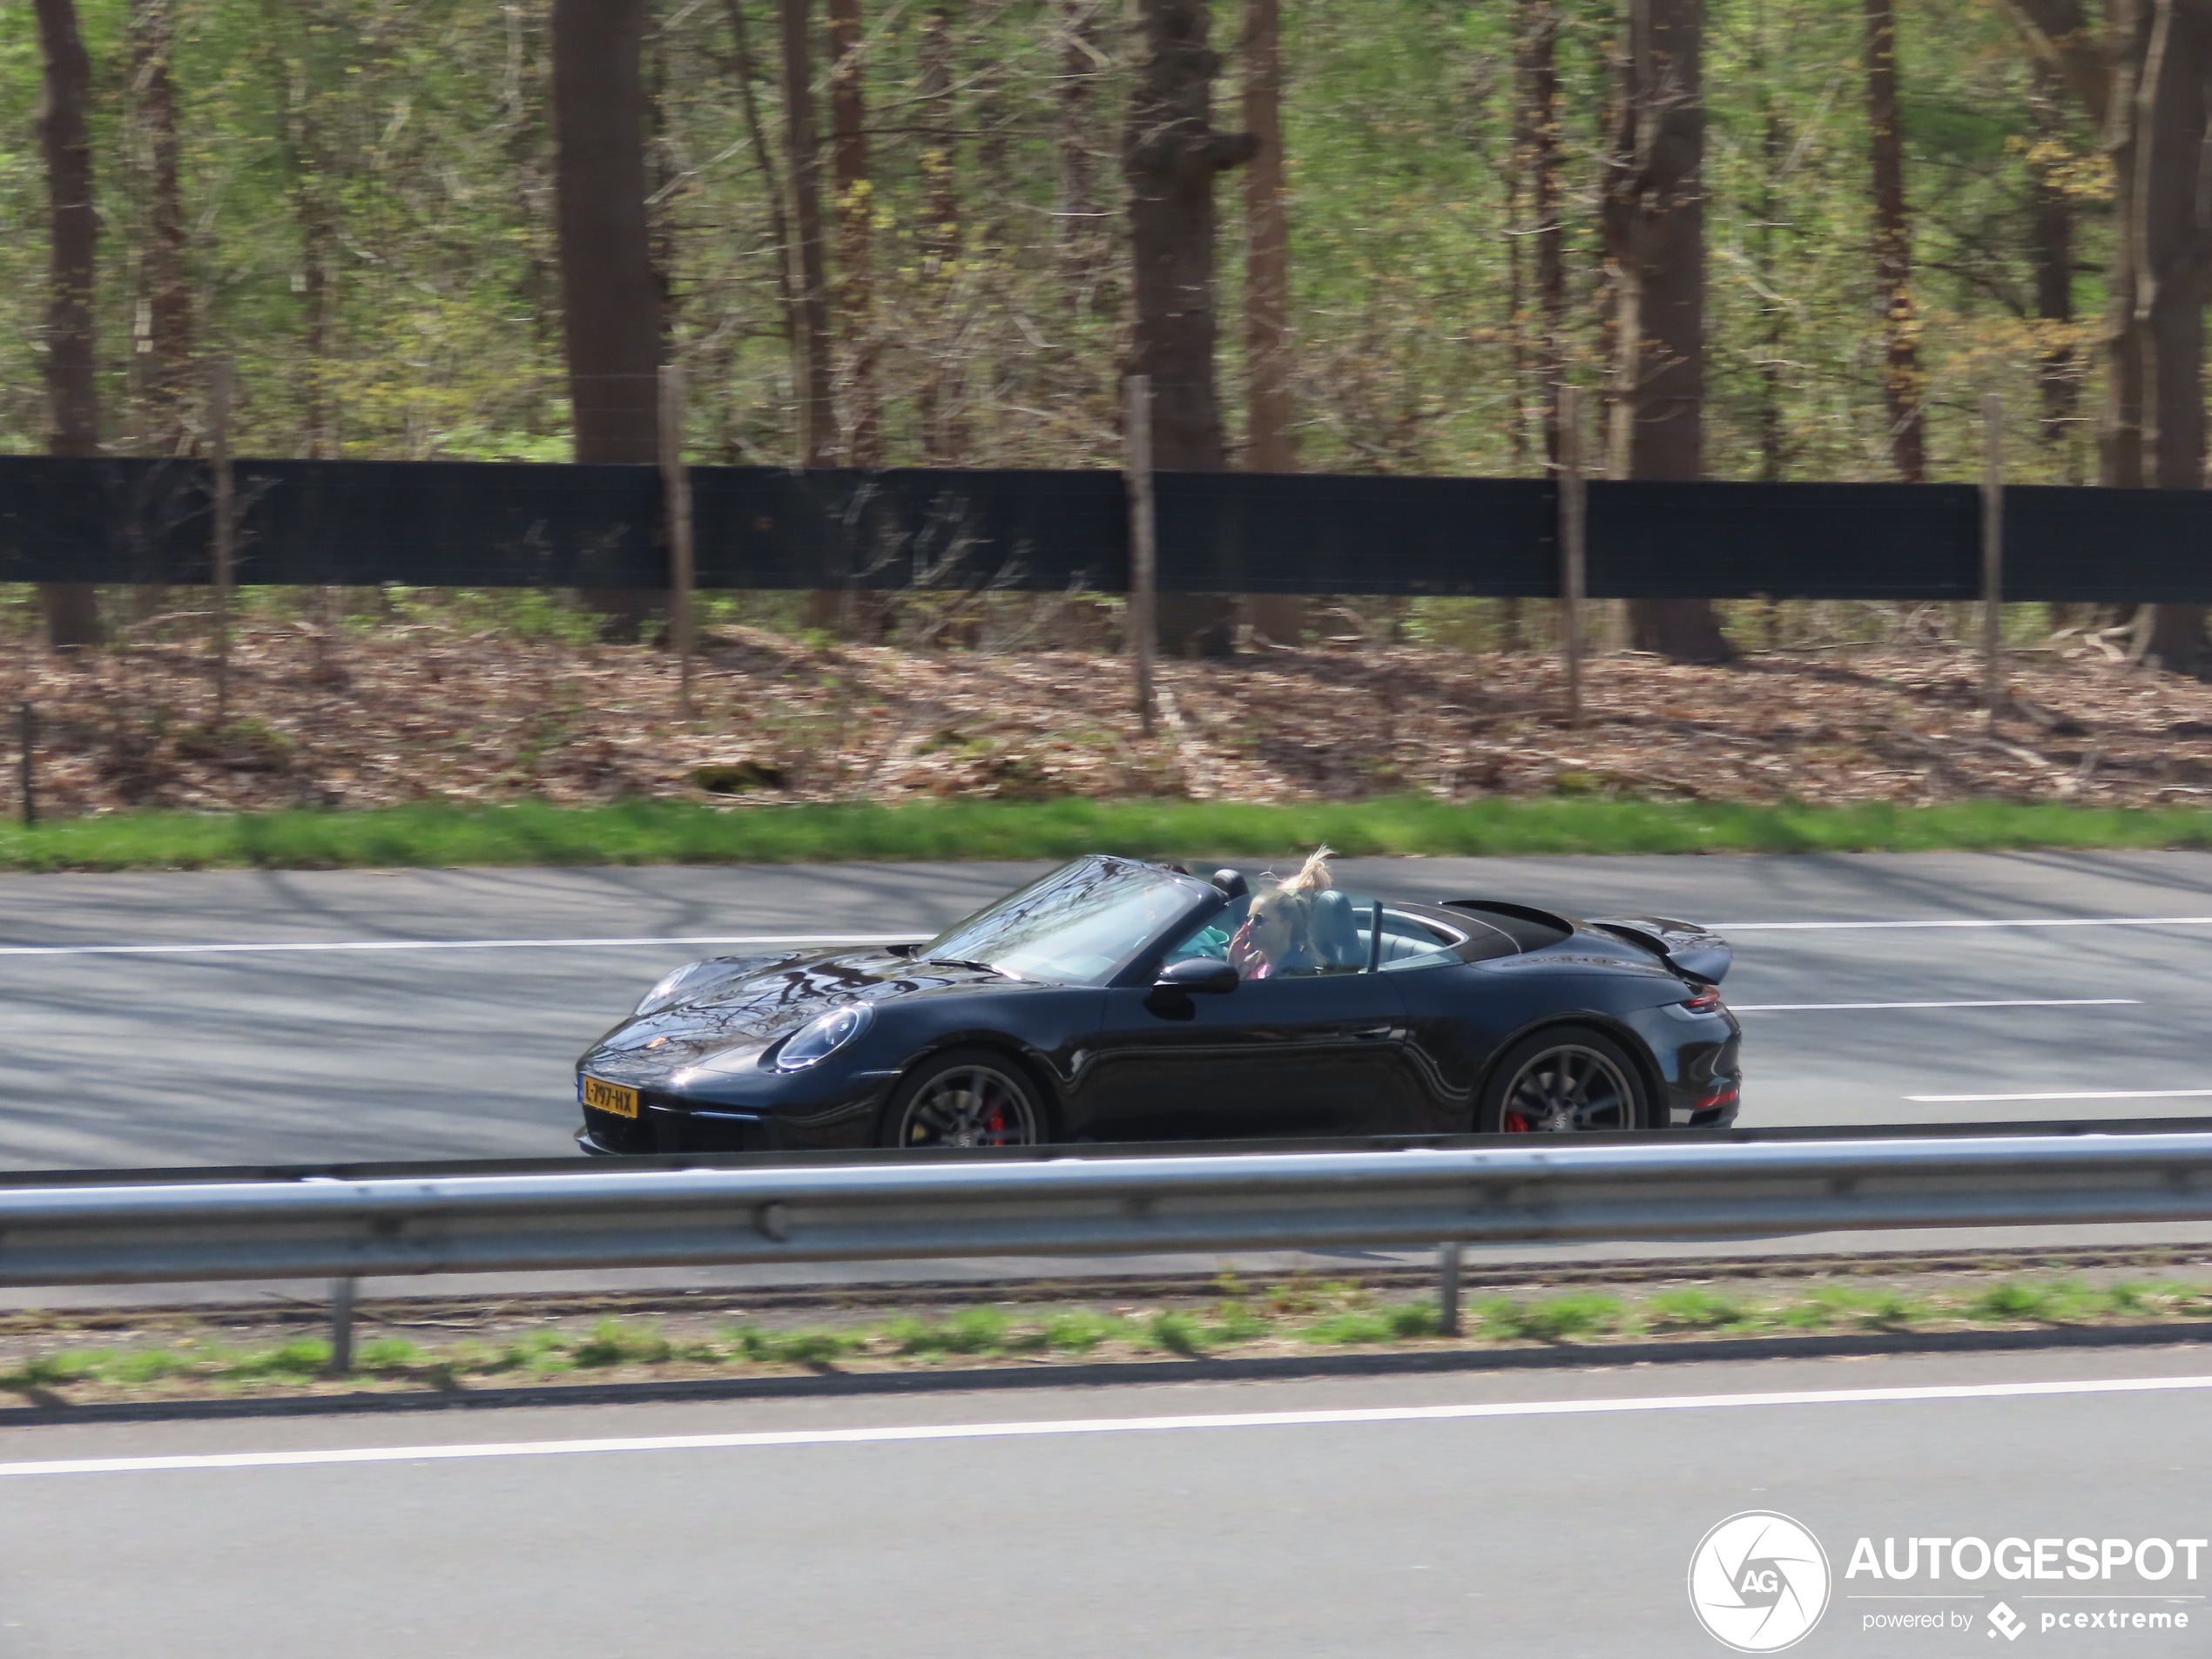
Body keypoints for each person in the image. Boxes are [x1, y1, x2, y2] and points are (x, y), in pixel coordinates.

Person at [1230, 846, 1336, 980]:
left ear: (1286, 926)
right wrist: (1233, 967)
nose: (1249, 926)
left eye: (1259, 919)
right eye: (1248, 918)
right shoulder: (1250, 964)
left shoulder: (1297, 975)